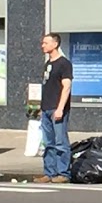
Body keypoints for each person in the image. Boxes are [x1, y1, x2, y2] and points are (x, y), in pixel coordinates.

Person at [37, 32, 72, 183]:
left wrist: (60, 108)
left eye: (46, 43)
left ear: (55, 44)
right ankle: (49, 172)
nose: (42, 45)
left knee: (61, 142)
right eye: (43, 43)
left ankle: (63, 173)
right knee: (48, 143)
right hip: (46, 108)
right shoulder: (48, 64)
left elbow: (67, 87)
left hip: (57, 109)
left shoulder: (64, 64)